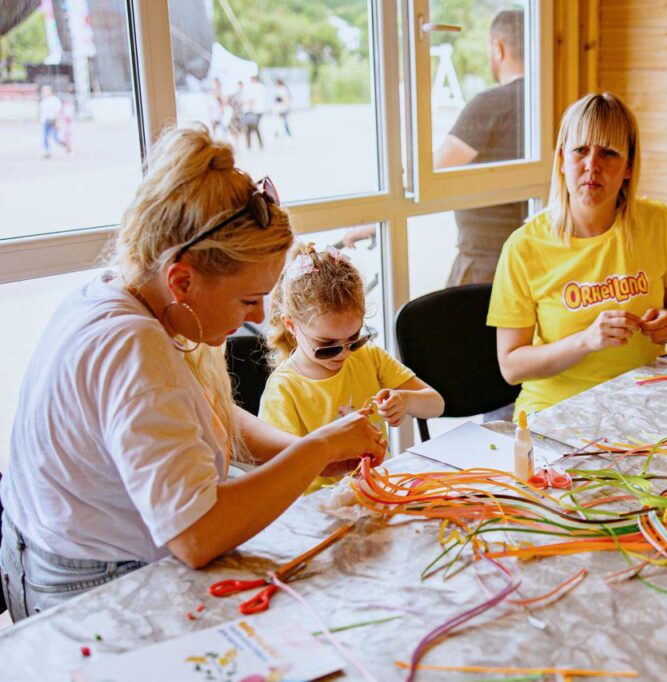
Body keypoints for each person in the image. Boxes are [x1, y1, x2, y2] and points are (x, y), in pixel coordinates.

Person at [0, 126, 386, 622]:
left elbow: (197, 414)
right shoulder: (132, 347)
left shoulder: (121, 293)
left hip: (57, 556)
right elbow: (197, 534)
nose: (257, 315)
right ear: (181, 280)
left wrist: (303, 454)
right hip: (88, 588)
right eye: (248, 299)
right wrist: (318, 448)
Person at [487, 92, 667, 416]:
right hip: (556, 413)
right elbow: (512, 366)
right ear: (561, 159)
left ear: (628, 166)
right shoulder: (524, 247)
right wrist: (586, 340)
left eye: (609, 152)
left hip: (642, 403)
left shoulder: (657, 223)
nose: (592, 165)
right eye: (580, 150)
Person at [340, 8, 527, 287]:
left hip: (486, 267)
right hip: (529, 260)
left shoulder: (492, 105)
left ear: (498, 48)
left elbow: (429, 174)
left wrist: (374, 218)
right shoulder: (547, 102)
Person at [260, 243, 444, 493]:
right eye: (327, 345)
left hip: (378, 491)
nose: (344, 353)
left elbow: (436, 404)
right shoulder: (285, 389)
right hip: (318, 508)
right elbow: (281, 470)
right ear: (292, 325)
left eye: (354, 339)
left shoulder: (368, 357)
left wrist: (404, 400)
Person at [38, 85, 69, 158]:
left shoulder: (55, 100)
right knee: (45, 137)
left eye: (46, 90)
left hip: (53, 121)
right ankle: (47, 151)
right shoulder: (43, 101)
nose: (44, 92)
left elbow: (58, 112)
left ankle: (66, 146)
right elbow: (42, 112)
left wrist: (58, 121)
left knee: (56, 138)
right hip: (45, 122)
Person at [243, 75, 268, 150]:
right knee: (253, 127)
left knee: (252, 127)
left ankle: (251, 145)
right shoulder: (262, 87)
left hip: (254, 110)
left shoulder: (254, 87)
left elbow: (251, 99)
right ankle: (255, 144)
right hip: (260, 110)